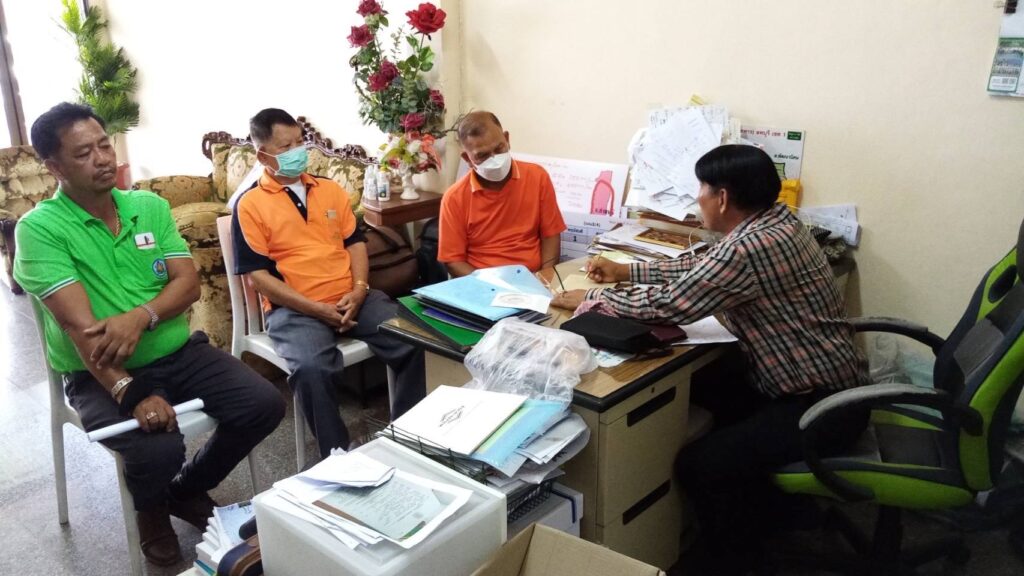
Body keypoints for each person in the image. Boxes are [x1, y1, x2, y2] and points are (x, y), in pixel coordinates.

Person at [552, 144, 869, 574]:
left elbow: (673, 305)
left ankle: (737, 559)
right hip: (823, 383)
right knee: (705, 386)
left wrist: (593, 299)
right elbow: (703, 267)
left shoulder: (750, 248)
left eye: (700, 188)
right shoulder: (778, 223)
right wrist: (627, 271)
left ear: (721, 197)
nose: (696, 197)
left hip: (822, 408)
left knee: (702, 465)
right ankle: (773, 510)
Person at [14, 102, 286, 566]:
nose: (102, 158)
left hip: (178, 350)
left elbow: (187, 285)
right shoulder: (39, 230)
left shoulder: (148, 207)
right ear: (54, 167)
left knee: (263, 404)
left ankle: (185, 489)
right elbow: (81, 328)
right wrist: (130, 390)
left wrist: (141, 316)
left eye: (104, 145)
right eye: (83, 153)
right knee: (157, 448)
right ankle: (151, 509)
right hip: (98, 371)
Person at [232, 108, 426, 459]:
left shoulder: (329, 190)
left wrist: (360, 289)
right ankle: (338, 457)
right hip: (295, 308)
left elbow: (355, 243)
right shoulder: (250, 205)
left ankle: (407, 441)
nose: (298, 152)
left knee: (416, 339)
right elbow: (258, 277)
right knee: (312, 369)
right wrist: (316, 309)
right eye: (285, 147)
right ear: (263, 156)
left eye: (299, 142)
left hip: (353, 297)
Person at [438, 111, 567, 278]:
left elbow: (551, 235)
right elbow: (453, 261)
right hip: (482, 283)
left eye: (499, 149)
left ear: (507, 139)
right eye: (482, 155)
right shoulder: (454, 198)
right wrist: (492, 285)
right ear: (467, 158)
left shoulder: (537, 177)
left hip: (533, 278)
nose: (494, 159)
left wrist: (546, 279)